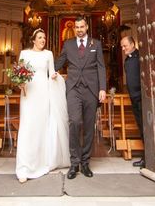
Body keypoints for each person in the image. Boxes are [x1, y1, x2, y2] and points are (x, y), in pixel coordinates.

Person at [55, 15, 106, 179]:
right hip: (73, 89)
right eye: (76, 27)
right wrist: (46, 69)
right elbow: (60, 61)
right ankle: (74, 163)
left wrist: (102, 88)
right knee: (75, 122)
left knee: (89, 127)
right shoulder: (68, 44)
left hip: (91, 90)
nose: (79, 29)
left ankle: (85, 163)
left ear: (86, 27)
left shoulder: (95, 44)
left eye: (81, 27)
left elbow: (101, 67)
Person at [16, 28, 70, 183]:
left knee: (42, 128)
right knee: (28, 128)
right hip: (28, 94)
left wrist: (55, 76)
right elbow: (19, 74)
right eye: (40, 37)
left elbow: (52, 72)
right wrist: (19, 83)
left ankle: (42, 163)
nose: (43, 40)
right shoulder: (24, 54)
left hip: (43, 94)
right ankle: (24, 168)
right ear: (33, 40)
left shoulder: (49, 54)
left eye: (44, 38)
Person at [120, 35, 145, 168]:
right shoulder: (127, 60)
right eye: (122, 47)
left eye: (125, 46)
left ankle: (148, 158)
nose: (123, 49)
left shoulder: (140, 57)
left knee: (145, 128)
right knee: (141, 127)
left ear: (133, 44)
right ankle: (145, 157)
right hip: (134, 98)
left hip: (141, 97)